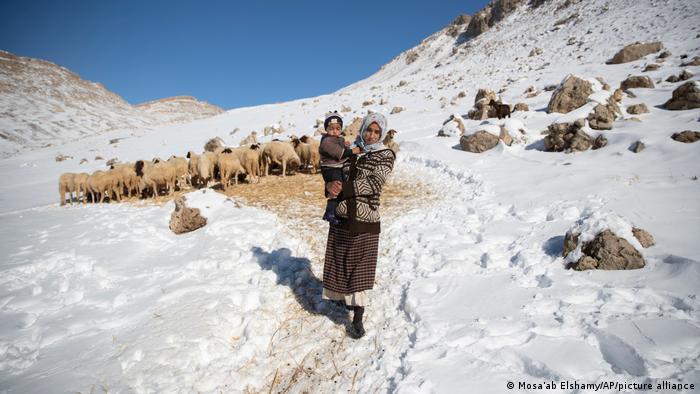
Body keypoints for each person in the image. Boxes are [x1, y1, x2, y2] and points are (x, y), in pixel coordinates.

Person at [321, 112, 396, 339]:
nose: (371, 135)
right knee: (341, 261)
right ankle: (344, 300)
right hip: (342, 217)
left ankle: (358, 318)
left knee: (360, 270)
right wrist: (331, 187)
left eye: (376, 132)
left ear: (382, 134)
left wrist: (344, 188)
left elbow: (374, 183)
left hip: (365, 219)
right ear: (362, 129)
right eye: (368, 130)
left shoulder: (385, 154)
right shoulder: (353, 151)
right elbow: (334, 176)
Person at [318, 111, 362, 225]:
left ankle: (336, 212)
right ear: (326, 130)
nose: (335, 131)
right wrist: (353, 151)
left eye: (338, 128)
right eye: (331, 128)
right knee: (336, 188)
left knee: (340, 187)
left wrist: (345, 144)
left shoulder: (339, 138)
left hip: (337, 166)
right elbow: (339, 153)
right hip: (331, 168)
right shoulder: (326, 141)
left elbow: (341, 146)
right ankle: (330, 212)